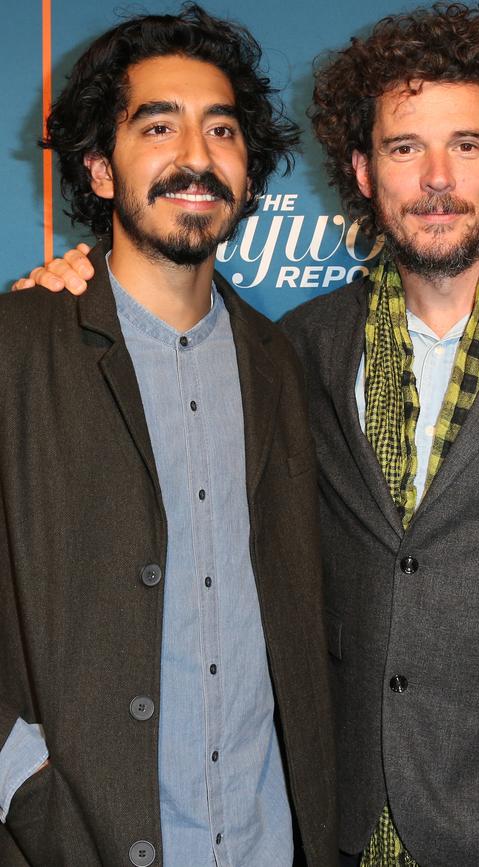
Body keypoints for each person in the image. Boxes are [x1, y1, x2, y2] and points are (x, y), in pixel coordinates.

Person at [16, 3, 479, 867]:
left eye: (467, 144)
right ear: (360, 169)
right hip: (339, 829)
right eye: (403, 148)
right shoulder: (304, 347)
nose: (436, 177)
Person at [0, 5, 337, 867]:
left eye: (221, 129)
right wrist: (20, 781)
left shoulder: (283, 364)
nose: (197, 154)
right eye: (159, 125)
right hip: (77, 841)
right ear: (100, 170)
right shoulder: (16, 347)